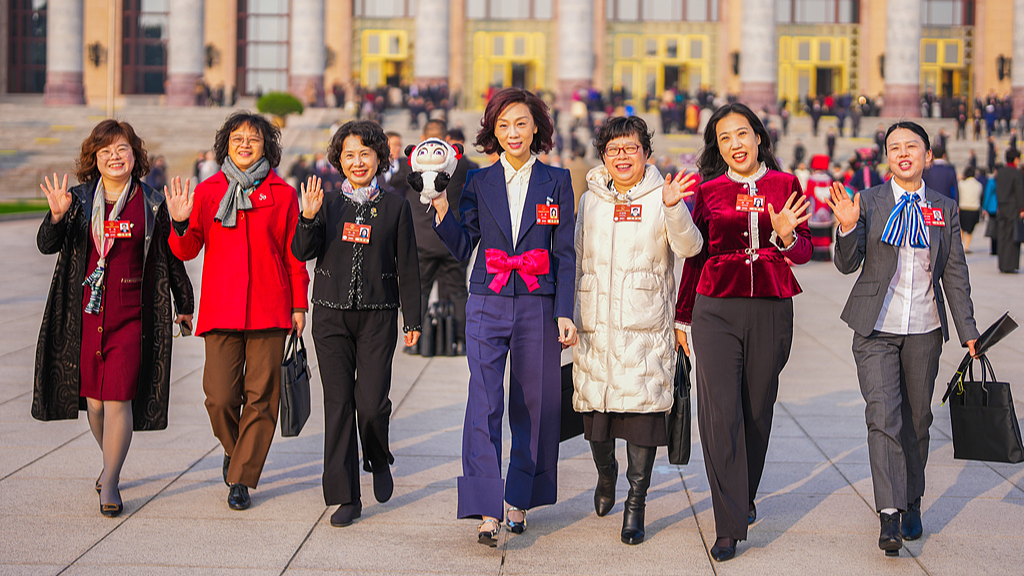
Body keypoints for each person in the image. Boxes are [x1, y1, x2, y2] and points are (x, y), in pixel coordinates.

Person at [429, 87, 577, 546]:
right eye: (504, 125)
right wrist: (440, 213)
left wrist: (565, 313)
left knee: (536, 403)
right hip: (487, 300)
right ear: (493, 131)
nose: (513, 132)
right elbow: (462, 246)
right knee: (484, 401)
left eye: (521, 123)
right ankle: (486, 507)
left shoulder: (558, 181)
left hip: (538, 302)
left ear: (537, 127)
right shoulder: (477, 183)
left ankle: (518, 499)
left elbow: (566, 253)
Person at [828, 121, 979, 557]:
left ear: (928, 156)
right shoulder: (869, 202)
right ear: (887, 157)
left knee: (917, 422)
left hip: (925, 329)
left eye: (912, 145)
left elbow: (955, 274)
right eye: (895, 147)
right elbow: (846, 263)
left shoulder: (944, 207)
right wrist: (848, 228)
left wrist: (969, 333)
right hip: (875, 327)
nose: (903, 152)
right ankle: (890, 513)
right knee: (883, 417)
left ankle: (913, 499)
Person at [33, 120, 194, 517]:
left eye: (121, 149)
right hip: (86, 312)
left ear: (135, 155)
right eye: (105, 152)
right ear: (95, 159)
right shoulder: (80, 199)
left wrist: (184, 300)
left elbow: (171, 255)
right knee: (95, 404)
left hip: (132, 314)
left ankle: (112, 480)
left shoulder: (151, 202)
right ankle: (110, 463)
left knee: (118, 397)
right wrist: (55, 217)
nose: (114, 157)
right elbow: (46, 245)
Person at [674, 102, 812, 562]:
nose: (735, 144)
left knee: (756, 410)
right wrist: (683, 316)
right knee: (720, 414)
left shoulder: (785, 184)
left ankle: (744, 494)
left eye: (742, 134)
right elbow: (695, 256)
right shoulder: (709, 191)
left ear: (758, 137)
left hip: (771, 307)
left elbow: (806, 251)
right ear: (718, 145)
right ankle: (728, 524)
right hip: (716, 309)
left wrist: (786, 237)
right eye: (724, 138)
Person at [165, 111, 310, 511]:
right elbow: (187, 248)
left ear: (268, 146)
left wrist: (300, 303)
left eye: (254, 139)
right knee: (219, 396)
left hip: (270, 306)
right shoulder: (210, 190)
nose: (245, 144)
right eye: (237, 138)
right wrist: (179, 223)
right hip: (222, 307)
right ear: (225, 145)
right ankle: (237, 449)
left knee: (261, 397)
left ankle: (241, 478)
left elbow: (294, 255)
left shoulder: (282, 194)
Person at [573, 116, 703, 545]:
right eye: (613, 150)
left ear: (646, 153)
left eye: (631, 148)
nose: (622, 156)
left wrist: (673, 207)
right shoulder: (590, 200)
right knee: (596, 418)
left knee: (643, 418)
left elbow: (689, 248)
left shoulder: (660, 196)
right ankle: (606, 475)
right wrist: (570, 315)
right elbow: (576, 258)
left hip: (644, 329)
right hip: (597, 327)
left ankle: (636, 503)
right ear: (604, 157)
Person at [292, 120, 422, 528]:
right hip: (330, 316)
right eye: (349, 154)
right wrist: (308, 218)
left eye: (365, 153)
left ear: (379, 158)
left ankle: (378, 454)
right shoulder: (328, 204)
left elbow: (409, 268)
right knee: (339, 407)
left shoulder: (396, 206)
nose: (357, 161)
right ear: (339, 160)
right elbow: (302, 251)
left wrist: (412, 318)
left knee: (370, 404)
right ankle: (345, 496)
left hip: (378, 317)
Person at [399, 119, 471, 355]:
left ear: (423, 138)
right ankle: (459, 340)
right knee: (458, 291)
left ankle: (414, 339)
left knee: (420, 290)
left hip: (421, 240)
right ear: (447, 140)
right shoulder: (463, 165)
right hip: (452, 238)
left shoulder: (409, 165)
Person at [994, 148, 1024, 272]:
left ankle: (1002, 264)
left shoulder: (1000, 172)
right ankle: (1010, 265)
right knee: (1013, 236)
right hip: (1013, 208)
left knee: (1002, 236)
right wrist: (1022, 208)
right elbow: (1019, 192)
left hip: (1002, 206)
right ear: (1016, 159)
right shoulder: (1016, 173)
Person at [958, 166, 983, 252]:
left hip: (963, 207)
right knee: (970, 230)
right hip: (974, 208)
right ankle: (967, 247)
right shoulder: (979, 185)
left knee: (962, 228)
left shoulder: (961, 184)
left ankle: (959, 245)